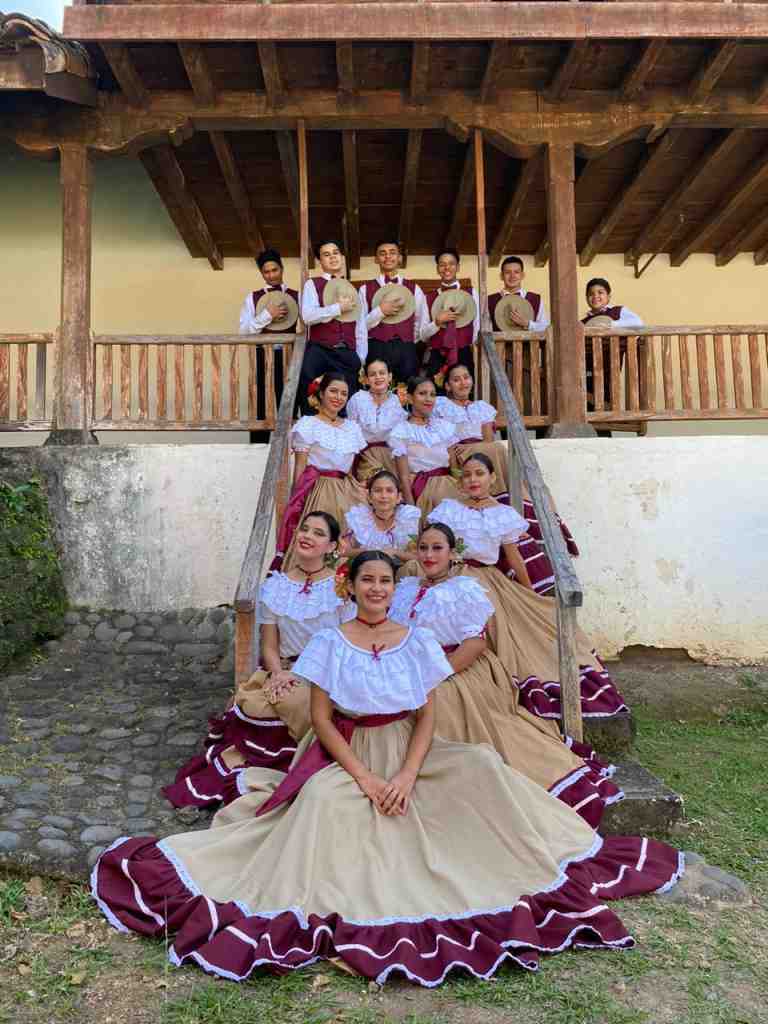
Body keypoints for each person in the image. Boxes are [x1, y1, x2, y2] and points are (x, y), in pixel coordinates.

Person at [92, 550, 683, 987]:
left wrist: (403, 776)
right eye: (367, 580)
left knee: (478, 764)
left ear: (394, 587)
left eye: (385, 580)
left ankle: (508, 851)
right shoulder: (330, 641)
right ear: (351, 586)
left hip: (410, 750)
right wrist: (369, 779)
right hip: (350, 753)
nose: (377, 588)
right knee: (324, 804)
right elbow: (322, 720)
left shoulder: (417, 638)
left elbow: (426, 716)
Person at [390, 523, 621, 827]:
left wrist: (436, 673)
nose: (429, 555)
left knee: (438, 704)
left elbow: (475, 642)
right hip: (410, 666)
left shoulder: (464, 589)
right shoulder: (406, 588)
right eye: (423, 548)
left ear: (452, 554)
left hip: (455, 666)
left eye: (437, 548)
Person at [164, 512, 352, 808]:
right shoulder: (275, 586)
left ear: (331, 546)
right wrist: (277, 674)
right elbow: (269, 645)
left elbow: (349, 641)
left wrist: (316, 674)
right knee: (267, 701)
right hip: (285, 670)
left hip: (329, 672)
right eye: (304, 529)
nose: (307, 536)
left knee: (304, 703)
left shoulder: (343, 587)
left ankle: (311, 773)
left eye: (318, 533)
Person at [428, 454, 630, 721]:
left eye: (479, 473)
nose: (473, 479)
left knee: (496, 626)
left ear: (492, 478)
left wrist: (527, 593)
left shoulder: (502, 514)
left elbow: (513, 557)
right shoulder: (448, 509)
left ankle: (495, 680)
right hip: (449, 573)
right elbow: (431, 545)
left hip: (485, 578)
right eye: (467, 475)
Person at [273, 373, 366, 572]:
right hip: (319, 491)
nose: (338, 397)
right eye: (333, 391)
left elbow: (349, 468)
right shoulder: (309, 424)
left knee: (344, 545)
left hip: (346, 491)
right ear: (321, 393)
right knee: (318, 543)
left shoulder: (352, 428)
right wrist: (297, 500)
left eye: (343, 393)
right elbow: (301, 466)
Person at [298, 239, 367, 416]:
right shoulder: (312, 284)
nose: (332, 257)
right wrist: (337, 308)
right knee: (311, 397)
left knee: (346, 401)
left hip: (347, 352)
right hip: (319, 350)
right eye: (326, 255)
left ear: (342, 257)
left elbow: (360, 326)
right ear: (320, 261)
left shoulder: (354, 289)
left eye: (335, 253)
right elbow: (308, 316)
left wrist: (360, 357)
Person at [238, 248, 298, 442]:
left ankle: (288, 446)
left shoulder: (297, 296)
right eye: (267, 272)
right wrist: (266, 316)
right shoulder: (252, 298)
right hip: (262, 354)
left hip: (289, 356)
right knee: (260, 402)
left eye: (275, 270)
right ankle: (258, 447)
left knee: (288, 401)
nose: (272, 275)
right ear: (262, 273)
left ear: (282, 269)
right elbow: (243, 331)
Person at [357, 238, 429, 384]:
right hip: (376, 347)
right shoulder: (364, 290)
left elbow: (421, 323)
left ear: (400, 258)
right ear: (376, 259)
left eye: (392, 253)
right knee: (376, 393)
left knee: (408, 394)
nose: (388, 256)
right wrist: (380, 311)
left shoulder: (415, 289)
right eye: (382, 253)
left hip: (406, 349)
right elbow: (360, 326)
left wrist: (407, 340)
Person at [389, 375, 459, 514]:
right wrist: (411, 508)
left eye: (432, 395)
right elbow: (403, 476)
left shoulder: (445, 427)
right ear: (409, 398)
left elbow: (454, 467)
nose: (428, 399)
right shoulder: (402, 431)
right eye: (422, 394)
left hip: (448, 486)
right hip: (422, 489)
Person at [582, 278, 644, 424]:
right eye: (591, 293)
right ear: (587, 298)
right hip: (587, 366)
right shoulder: (583, 322)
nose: (595, 296)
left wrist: (609, 324)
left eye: (600, 292)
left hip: (609, 365)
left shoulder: (618, 311)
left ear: (608, 296)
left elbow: (638, 324)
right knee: (587, 400)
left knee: (605, 398)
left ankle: (604, 432)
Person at [345, 356, 407, 481]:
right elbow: (350, 433)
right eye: (373, 374)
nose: (378, 377)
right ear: (366, 380)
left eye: (382, 373)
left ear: (389, 377)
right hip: (366, 455)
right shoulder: (357, 399)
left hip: (391, 455)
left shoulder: (398, 400)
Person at [421, 248, 479, 378]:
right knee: (437, 396)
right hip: (437, 355)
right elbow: (423, 335)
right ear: (437, 269)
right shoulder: (428, 298)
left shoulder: (472, 293)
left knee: (465, 394)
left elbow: (477, 325)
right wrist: (436, 323)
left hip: (464, 353)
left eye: (451, 264)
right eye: (442, 264)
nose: (447, 268)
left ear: (458, 267)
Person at [343, 469, 420, 565]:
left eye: (389, 490)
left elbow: (419, 556)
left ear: (399, 497)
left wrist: (395, 552)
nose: (384, 495)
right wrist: (369, 552)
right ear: (369, 497)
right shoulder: (359, 518)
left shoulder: (409, 518)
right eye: (378, 490)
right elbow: (342, 551)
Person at [488, 255, 550, 333]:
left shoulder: (536, 299)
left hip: (529, 345)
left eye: (516, 272)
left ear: (522, 275)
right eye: (507, 272)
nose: (512, 276)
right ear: (501, 276)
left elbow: (545, 328)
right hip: (498, 345)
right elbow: (485, 330)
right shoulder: (489, 300)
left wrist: (528, 324)